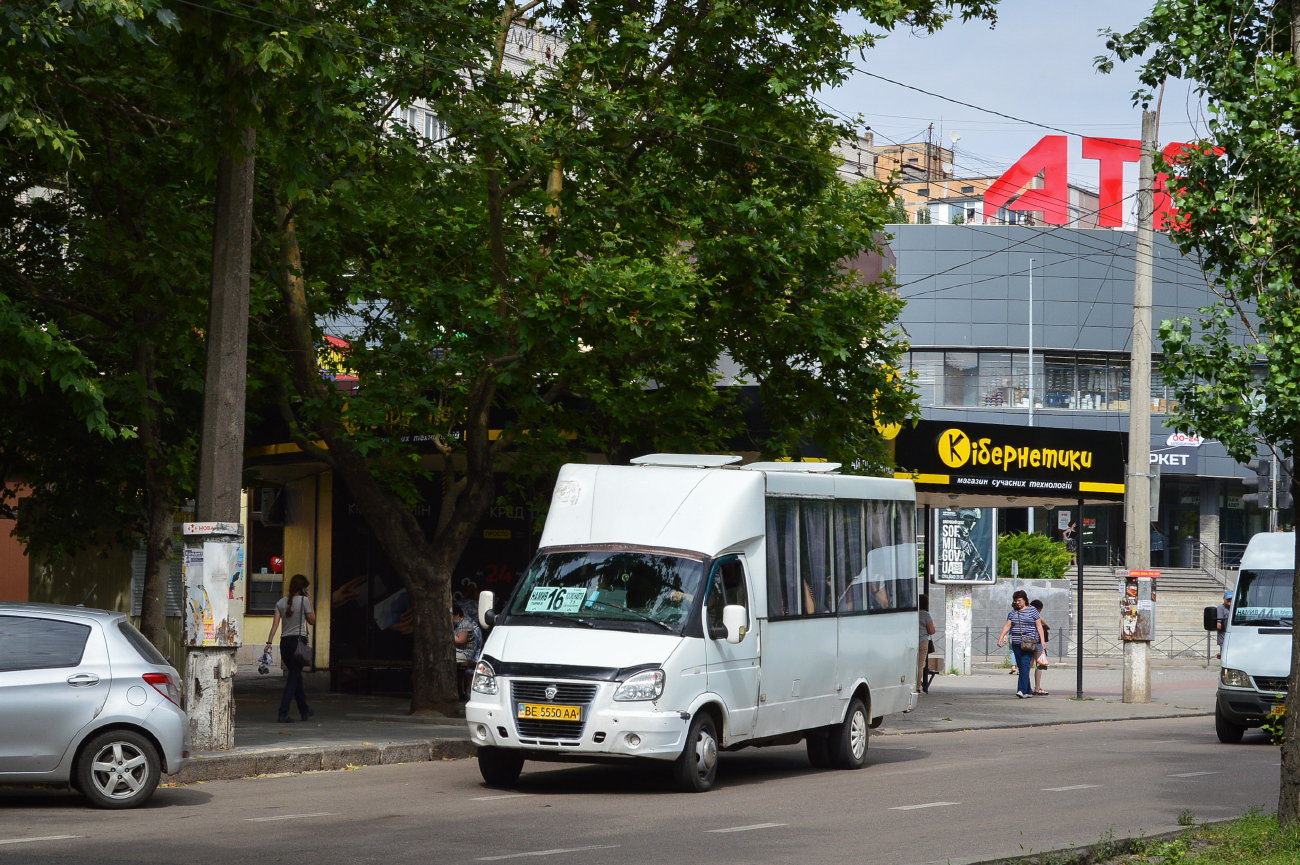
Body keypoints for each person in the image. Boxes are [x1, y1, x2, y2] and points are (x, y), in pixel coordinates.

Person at [266, 574, 316, 723]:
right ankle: (283, 713)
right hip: (298, 642)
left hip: (284, 643)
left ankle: (304, 710)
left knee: (296, 676)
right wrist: (310, 601)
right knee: (293, 678)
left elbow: (275, 624)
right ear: (303, 588)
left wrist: (268, 643)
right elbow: (312, 620)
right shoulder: (305, 601)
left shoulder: (280, 602)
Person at [996, 589, 1046, 699]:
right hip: (1016, 643)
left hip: (1029, 643)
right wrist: (1000, 637)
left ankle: (1021, 690)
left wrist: (1042, 640)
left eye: (1019, 600)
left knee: (1024, 664)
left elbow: (1039, 626)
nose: (1017, 602)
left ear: (1025, 600)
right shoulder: (1013, 612)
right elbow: (1008, 626)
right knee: (1022, 666)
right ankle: (1028, 690)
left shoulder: (1033, 610)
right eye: (1015, 601)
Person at [1030, 599, 1051, 696]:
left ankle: (1024, 687)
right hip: (1037, 642)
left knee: (1028, 665)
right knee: (1040, 664)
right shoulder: (1035, 613)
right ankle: (1037, 687)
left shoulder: (1025, 612)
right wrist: (1046, 625)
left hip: (1028, 642)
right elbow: (1039, 618)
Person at [916, 594, 936, 694]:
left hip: (911, 642)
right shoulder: (925, 615)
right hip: (922, 641)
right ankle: (917, 687)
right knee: (920, 665)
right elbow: (932, 631)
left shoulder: (912, 613)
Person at [1216, 590, 1233, 660]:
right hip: (1224, 637)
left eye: (1231, 599)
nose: (1230, 600)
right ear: (1224, 598)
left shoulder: (1234, 608)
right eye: (1228, 599)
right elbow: (1219, 624)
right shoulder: (1221, 608)